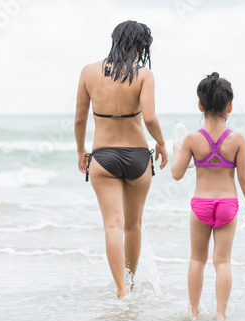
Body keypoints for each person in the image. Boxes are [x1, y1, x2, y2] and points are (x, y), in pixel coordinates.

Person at [74, 20, 168, 300]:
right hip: (138, 157)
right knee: (133, 225)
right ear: (140, 45)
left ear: (114, 40)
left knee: (112, 225)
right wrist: (161, 143)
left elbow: (79, 118)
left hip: (103, 157)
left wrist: (81, 150)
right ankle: (132, 281)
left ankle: (121, 291)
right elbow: (149, 118)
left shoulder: (89, 72)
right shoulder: (143, 75)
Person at [171, 72, 245, 321]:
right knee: (222, 262)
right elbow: (244, 178)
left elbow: (177, 174)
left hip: (201, 205)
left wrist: (178, 151)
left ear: (200, 105)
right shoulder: (237, 139)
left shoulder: (192, 139)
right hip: (227, 206)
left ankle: (194, 312)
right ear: (229, 107)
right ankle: (220, 315)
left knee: (197, 259)